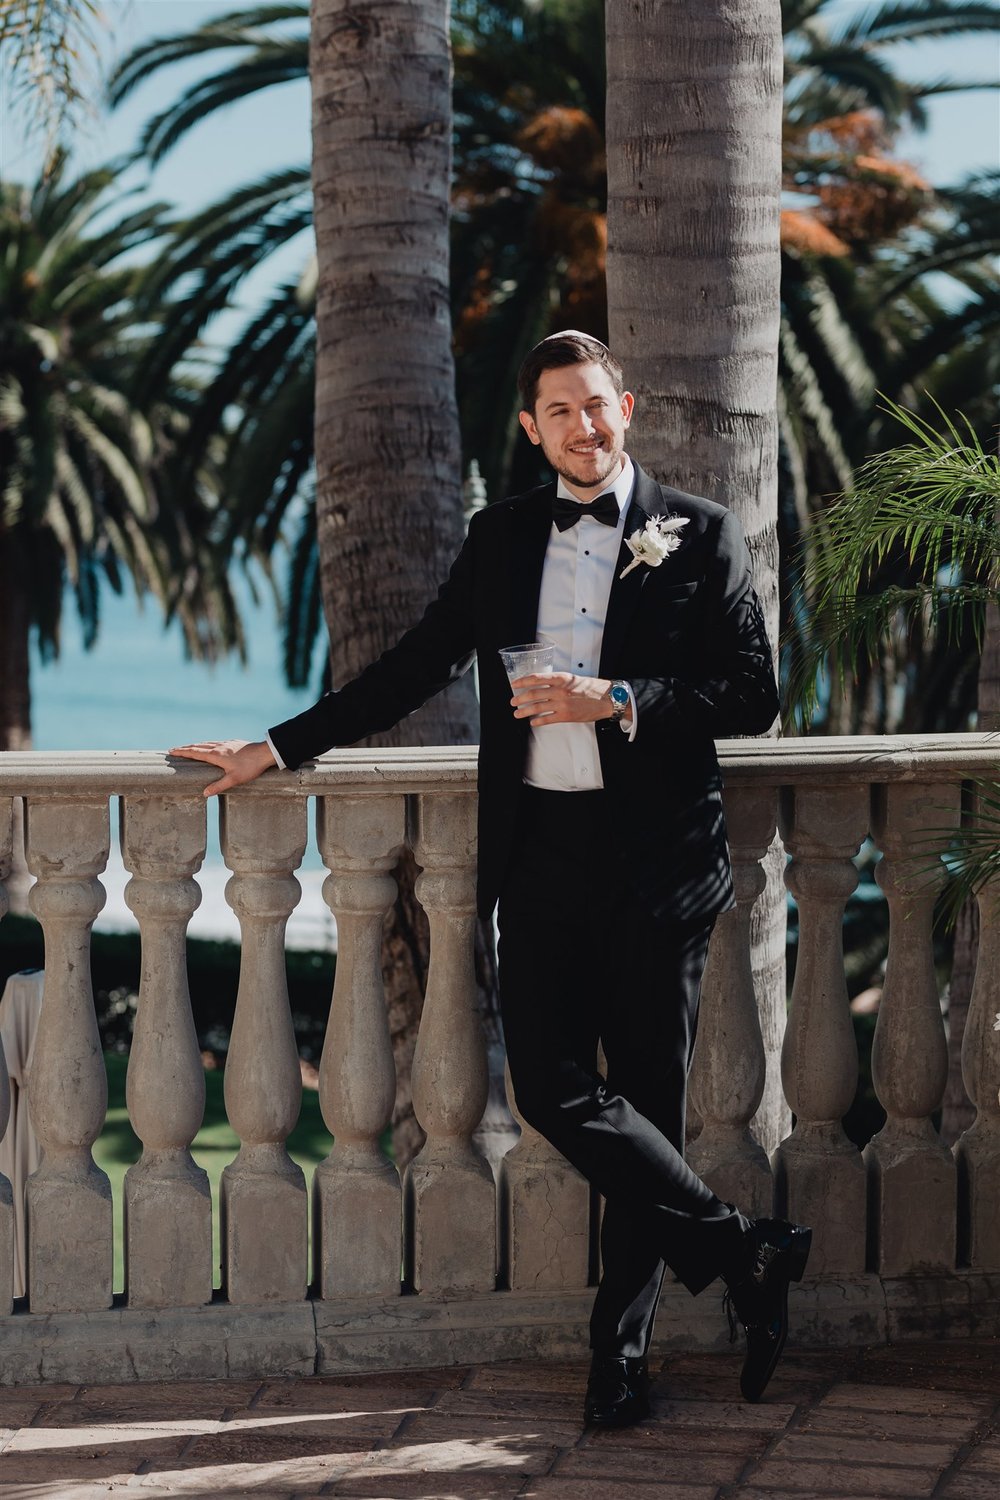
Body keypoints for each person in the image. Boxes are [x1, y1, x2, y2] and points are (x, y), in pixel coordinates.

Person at [171, 331, 811, 1427]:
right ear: (530, 428)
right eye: (558, 411)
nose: (583, 427)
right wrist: (271, 749)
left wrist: (613, 701)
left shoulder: (701, 534)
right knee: (556, 1092)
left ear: (628, 407)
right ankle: (743, 1250)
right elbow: (411, 667)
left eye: (596, 406)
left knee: (646, 1111)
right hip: (542, 860)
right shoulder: (501, 537)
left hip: (659, 866)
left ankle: (620, 1363)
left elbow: (751, 694)